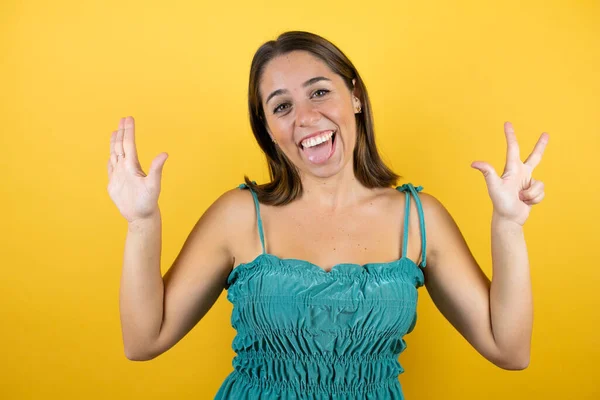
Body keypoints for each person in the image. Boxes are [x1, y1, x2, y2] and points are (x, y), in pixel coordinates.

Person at [107, 31, 548, 399]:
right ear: (268, 129)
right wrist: (142, 222)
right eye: (281, 106)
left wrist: (508, 225)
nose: (306, 117)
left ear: (354, 97)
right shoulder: (238, 216)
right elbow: (144, 340)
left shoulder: (419, 219)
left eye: (319, 92)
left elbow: (510, 350)